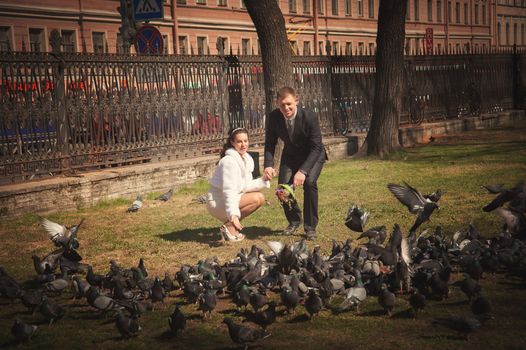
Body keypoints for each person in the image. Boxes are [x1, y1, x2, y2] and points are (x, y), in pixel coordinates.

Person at [263, 86, 326, 240]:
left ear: (296, 100)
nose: (286, 108)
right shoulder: (274, 117)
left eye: (289, 104)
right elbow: (270, 143)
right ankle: (295, 220)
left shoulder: (310, 117)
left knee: (310, 183)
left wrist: (303, 171)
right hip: (291, 155)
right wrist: (268, 165)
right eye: (282, 105)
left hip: (313, 154)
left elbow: (317, 146)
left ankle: (310, 227)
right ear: (278, 103)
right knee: (282, 190)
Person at [206, 127, 270, 242]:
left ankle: (229, 227)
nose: (243, 145)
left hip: (230, 198)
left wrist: (263, 180)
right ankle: (230, 228)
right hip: (217, 201)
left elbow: (243, 186)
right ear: (232, 143)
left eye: (245, 141)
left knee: (259, 197)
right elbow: (229, 190)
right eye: (239, 141)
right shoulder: (229, 162)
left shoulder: (245, 159)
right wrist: (233, 215)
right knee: (257, 198)